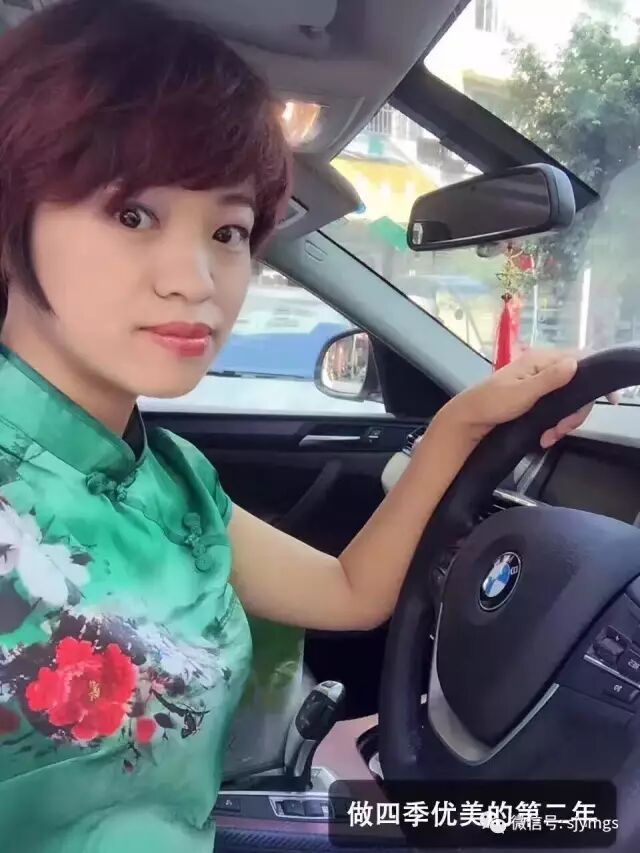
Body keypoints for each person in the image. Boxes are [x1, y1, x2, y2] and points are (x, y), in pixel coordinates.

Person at [0, 1, 599, 851]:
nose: (195, 278)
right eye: (133, 214)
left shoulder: (173, 481)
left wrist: (465, 420)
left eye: (228, 230)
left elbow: (349, 590)